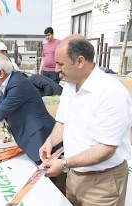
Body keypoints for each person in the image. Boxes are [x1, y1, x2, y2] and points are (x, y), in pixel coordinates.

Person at [39, 34, 132, 206]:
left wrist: (64, 163)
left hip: (103, 184)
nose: (56, 70)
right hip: (74, 176)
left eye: (61, 64)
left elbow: (106, 149)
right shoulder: (70, 87)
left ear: (80, 61)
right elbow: (62, 123)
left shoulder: (111, 93)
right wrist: (50, 142)